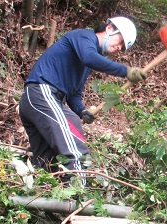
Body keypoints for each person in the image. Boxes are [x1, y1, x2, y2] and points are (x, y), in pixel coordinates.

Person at [18, 16, 146, 184]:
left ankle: (43, 202)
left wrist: (81, 110)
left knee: (47, 161)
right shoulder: (84, 37)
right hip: (42, 93)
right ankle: (80, 195)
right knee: (74, 142)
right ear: (109, 28)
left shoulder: (85, 63)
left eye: (122, 47)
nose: (118, 47)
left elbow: (74, 94)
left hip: (41, 101)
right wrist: (125, 71)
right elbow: (90, 57)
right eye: (120, 41)